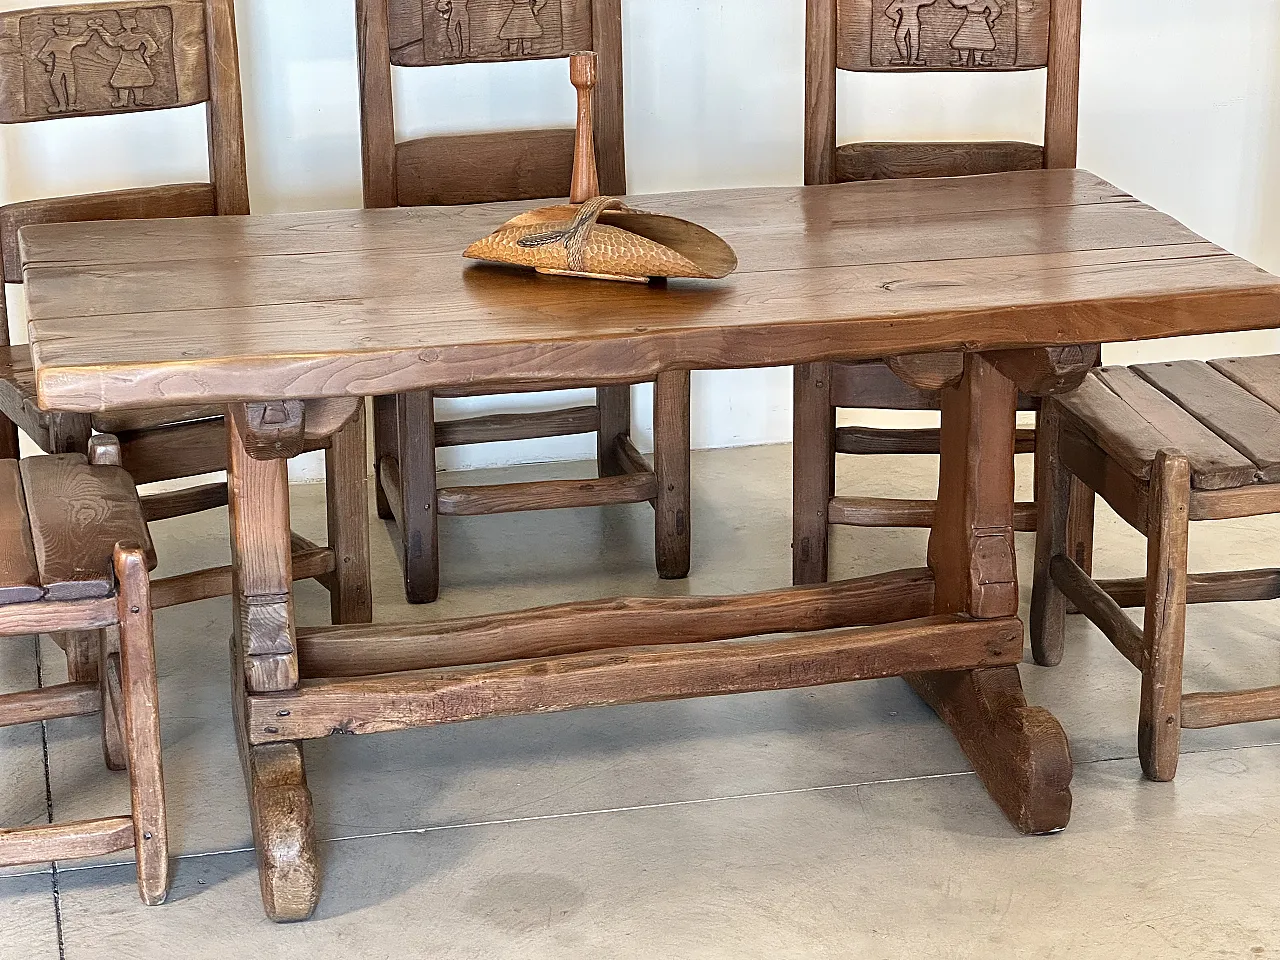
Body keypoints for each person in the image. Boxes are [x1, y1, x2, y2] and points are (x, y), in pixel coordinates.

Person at [88, 14, 160, 108]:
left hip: (135, 59)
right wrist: (100, 28)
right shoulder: (125, 37)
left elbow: (153, 47)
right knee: (123, 78)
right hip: (129, 58)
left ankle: (138, 99)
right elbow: (111, 41)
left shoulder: (142, 36)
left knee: (139, 78)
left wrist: (146, 55)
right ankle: (123, 100)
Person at [37, 17, 93, 114]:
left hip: (61, 65)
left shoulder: (56, 41)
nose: (63, 30)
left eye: (64, 27)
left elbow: (41, 56)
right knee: (64, 82)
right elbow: (83, 39)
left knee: (61, 82)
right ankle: (66, 105)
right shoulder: (58, 41)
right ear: (55, 29)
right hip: (64, 65)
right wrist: (91, 29)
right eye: (61, 28)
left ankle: (66, 105)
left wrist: (91, 29)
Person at [947, 0, 1001, 67]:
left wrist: (990, 19)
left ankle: (978, 60)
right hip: (970, 19)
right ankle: (963, 60)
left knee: (981, 40)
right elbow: (957, 4)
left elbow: (996, 10)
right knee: (964, 39)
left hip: (980, 20)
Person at [884, 0, 937, 66]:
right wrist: (897, 18)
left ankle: (913, 59)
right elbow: (889, 11)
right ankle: (904, 58)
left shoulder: (914, 1)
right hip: (904, 22)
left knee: (913, 39)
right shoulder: (900, 1)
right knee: (899, 38)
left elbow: (929, 1)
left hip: (913, 22)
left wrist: (897, 19)